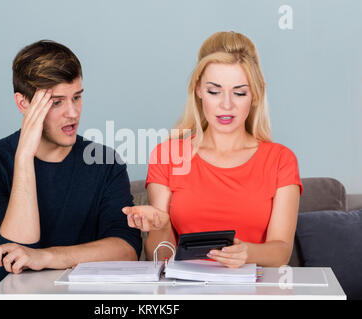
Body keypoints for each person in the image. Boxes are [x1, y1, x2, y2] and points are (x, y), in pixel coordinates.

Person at [0, 40, 141, 300]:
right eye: (56, 102)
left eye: (77, 97)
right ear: (24, 104)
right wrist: (24, 157)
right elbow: (18, 250)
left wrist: (45, 257)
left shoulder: (103, 161)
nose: (72, 113)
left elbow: (127, 249)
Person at [122, 31, 303, 268]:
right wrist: (161, 226)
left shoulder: (280, 159)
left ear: (255, 94)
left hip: (254, 289)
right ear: (198, 90)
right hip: (186, 290)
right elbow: (161, 256)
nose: (226, 105)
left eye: (239, 92)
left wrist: (246, 252)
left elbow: (281, 252)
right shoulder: (167, 155)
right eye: (214, 91)